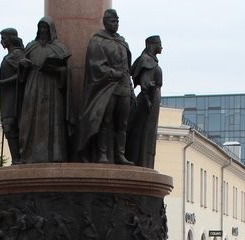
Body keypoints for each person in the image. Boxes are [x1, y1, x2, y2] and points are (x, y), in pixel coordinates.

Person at [77, 9, 134, 164]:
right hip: (106, 87)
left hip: (124, 87)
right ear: (104, 22)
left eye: (117, 21)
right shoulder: (98, 41)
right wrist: (112, 73)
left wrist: (130, 86)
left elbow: (127, 68)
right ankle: (102, 154)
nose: (115, 24)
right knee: (105, 120)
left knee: (122, 123)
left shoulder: (122, 41)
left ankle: (120, 154)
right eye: (112, 21)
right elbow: (95, 65)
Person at [19, 17, 72, 163]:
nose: (43, 31)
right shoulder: (31, 46)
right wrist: (23, 67)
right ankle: (29, 154)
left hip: (52, 87)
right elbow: (22, 70)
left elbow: (66, 70)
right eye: (41, 28)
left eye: (46, 28)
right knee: (31, 118)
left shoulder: (59, 48)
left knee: (52, 119)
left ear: (51, 30)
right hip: (33, 85)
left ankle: (55, 154)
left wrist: (57, 70)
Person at [126, 36, 162, 168]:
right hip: (148, 100)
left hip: (152, 98)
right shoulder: (146, 60)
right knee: (144, 131)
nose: (161, 47)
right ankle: (141, 161)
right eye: (159, 44)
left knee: (148, 132)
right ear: (152, 45)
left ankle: (145, 161)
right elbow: (145, 83)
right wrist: (148, 98)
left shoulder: (150, 60)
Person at [0, 28, 24, 163]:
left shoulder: (17, 54)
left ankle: (18, 159)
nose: (1, 42)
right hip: (6, 96)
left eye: (3, 38)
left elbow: (23, 74)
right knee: (8, 126)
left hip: (15, 96)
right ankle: (15, 159)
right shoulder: (9, 56)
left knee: (11, 125)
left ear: (10, 39)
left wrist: (2, 82)